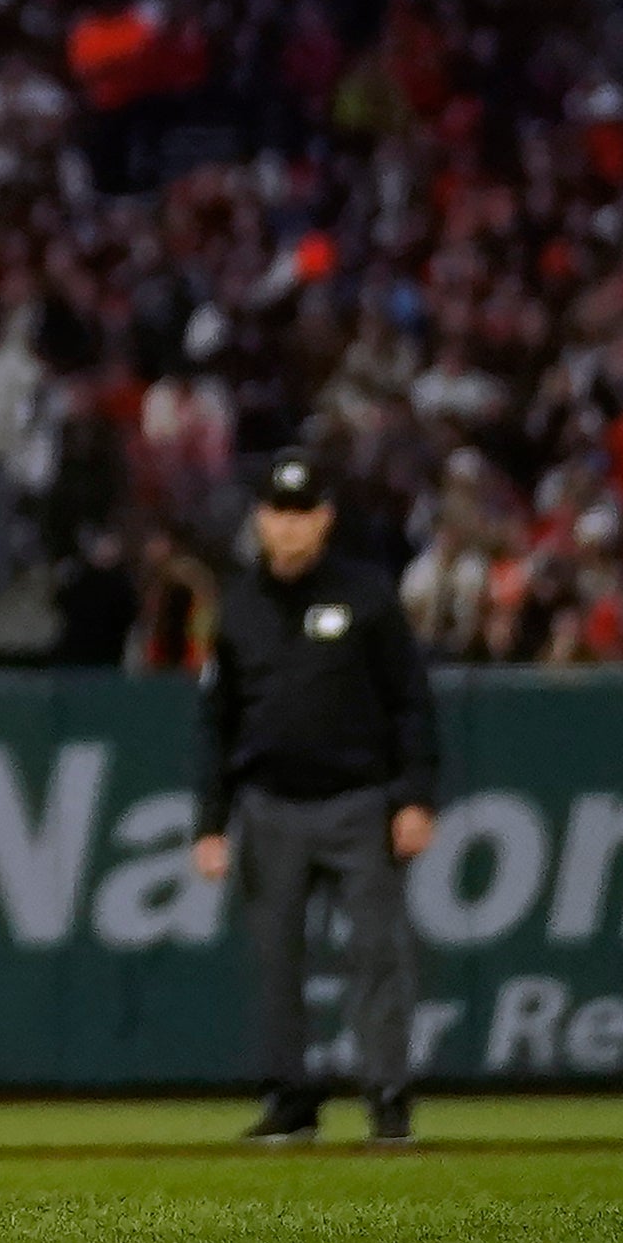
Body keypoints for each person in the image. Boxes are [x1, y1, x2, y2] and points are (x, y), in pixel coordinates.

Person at [193, 451, 438, 1147]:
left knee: (377, 955)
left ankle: (388, 1096)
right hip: (270, 806)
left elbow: (411, 703)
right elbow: (216, 722)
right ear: (261, 520)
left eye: (302, 513)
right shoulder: (238, 606)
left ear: (324, 518)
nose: (289, 528)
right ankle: (288, 1097)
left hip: (360, 801)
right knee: (276, 961)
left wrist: (415, 795)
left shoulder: (366, 594)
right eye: (278, 513)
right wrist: (211, 822)